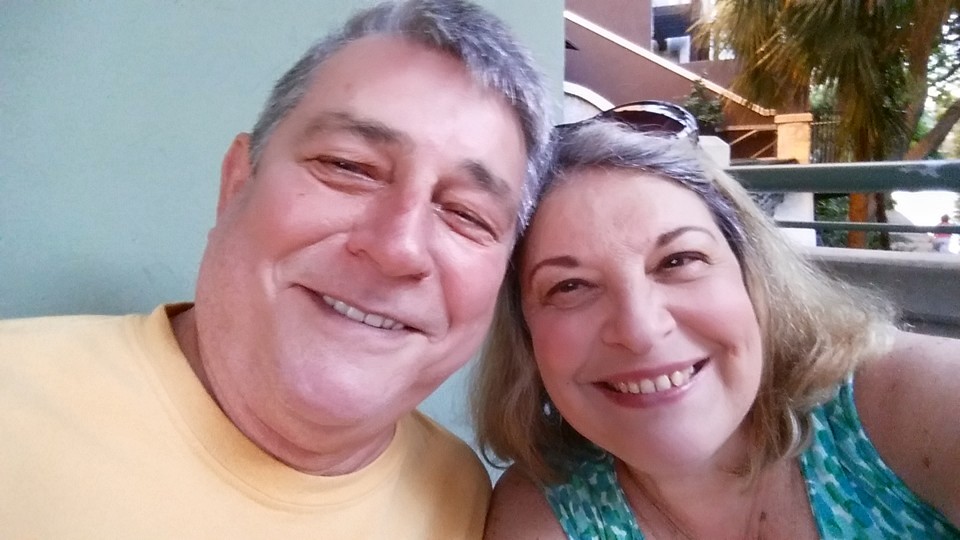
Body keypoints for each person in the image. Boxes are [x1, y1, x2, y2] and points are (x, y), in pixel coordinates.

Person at [0, 0, 552, 537]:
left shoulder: (465, 498)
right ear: (237, 182)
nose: (398, 247)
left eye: (466, 215)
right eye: (348, 166)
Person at [473, 117, 960, 538]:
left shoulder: (908, 405)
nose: (640, 330)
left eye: (678, 260)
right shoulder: (545, 509)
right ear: (524, 335)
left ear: (752, 274)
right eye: (570, 286)